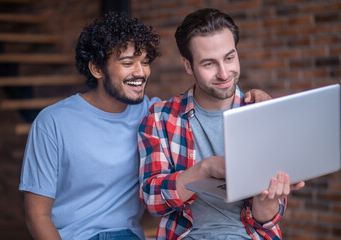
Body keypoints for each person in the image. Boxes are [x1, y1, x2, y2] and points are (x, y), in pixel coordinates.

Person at [19, 11, 273, 240]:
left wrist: (257, 100)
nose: (140, 72)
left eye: (145, 61)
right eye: (128, 63)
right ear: (96, 68)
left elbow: (209, 99)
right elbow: (37, 216)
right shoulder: (52, 122)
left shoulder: (151, 113)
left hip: (127, 235)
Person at [138, 8, 305, 240]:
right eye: (209, 64)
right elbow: (152, 201)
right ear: (188, 66)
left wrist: (268, 199)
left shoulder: (262, 112)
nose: (224, 73)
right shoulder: (159, 118)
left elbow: (264, 221)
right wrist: (205, 169)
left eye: (229, 57)